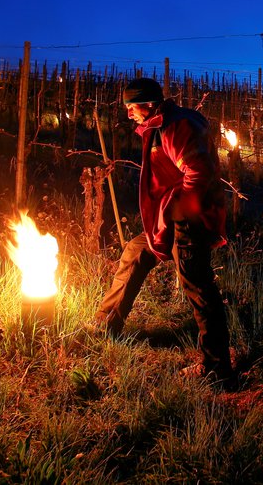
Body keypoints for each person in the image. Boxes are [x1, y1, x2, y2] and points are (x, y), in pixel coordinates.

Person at [89, 77, 236, 389]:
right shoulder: (161, 125)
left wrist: (181, 213)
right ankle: (105, 325)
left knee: (198, 287)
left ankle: (217, 368)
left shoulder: (175, 126)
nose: (129, 114)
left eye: (131, 107)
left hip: (187, 222)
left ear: (148, 104)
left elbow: (198, 172)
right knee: (134, 252)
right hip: (167, 221)